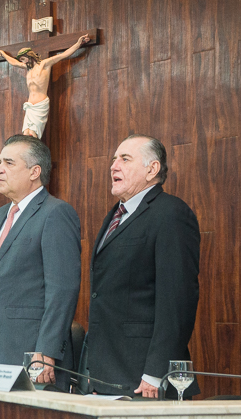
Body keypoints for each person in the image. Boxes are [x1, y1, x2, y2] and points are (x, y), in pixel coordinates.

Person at [83, 135, 200, 399]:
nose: (114, 166)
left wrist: (155, 372)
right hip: (108, 375)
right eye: (114, 159)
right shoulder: (115, 214)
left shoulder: (171, 214)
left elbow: (177, 302)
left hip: (146, 379)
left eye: (125, 159)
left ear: (152, 169)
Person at [0, 135, 81, 389]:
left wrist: (46, 351)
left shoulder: (55, 213)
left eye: (9, 163)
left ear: (35, 172)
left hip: (33, 356)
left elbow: (62, 290)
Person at [0, 34, 90, 138]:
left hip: (40, 104)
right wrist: (3, 54)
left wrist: (78, 43)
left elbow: (63, 55)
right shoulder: (28, 68)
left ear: (29, 56)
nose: (22, 62)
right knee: (26, 134)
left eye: (23, 59)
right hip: (30, 106)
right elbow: (14, 63)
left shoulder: (44, 64)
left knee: (34, 135)